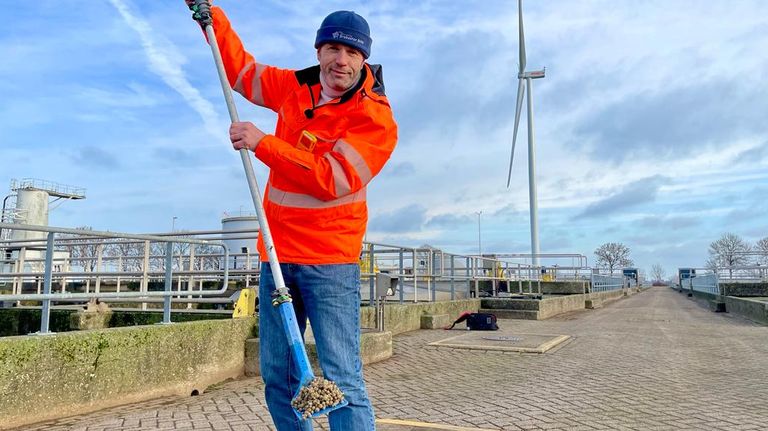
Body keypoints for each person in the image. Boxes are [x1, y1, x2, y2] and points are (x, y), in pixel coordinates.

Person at [187, 2, 397, 430]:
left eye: (352, 52)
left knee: (342, 381)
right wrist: (212, 15)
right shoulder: (294, 87)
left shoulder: (375, 118)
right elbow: (241, 73)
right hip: (277, 259)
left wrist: (263, 143)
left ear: (364, 59)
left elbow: (332, 178)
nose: (341, 60)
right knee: (279, 379)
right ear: (319, 50)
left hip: (330, 264)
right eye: (334, 48)